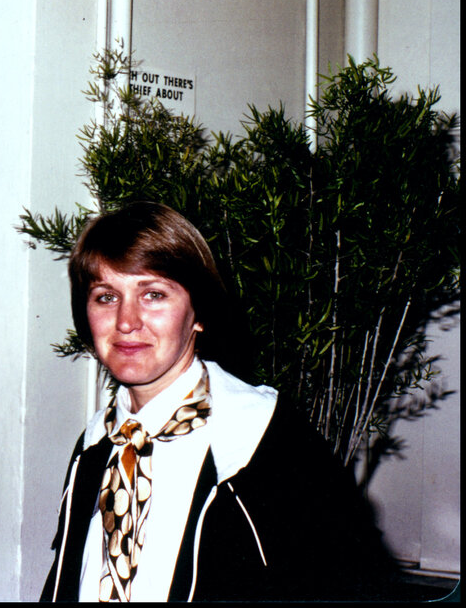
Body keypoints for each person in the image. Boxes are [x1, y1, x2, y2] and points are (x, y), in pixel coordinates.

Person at [40, 202, 397, 602]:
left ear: (199, 314)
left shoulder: (268, 446)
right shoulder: (96, 445)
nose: (126, 321)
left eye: (153, 295)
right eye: (105, 297)